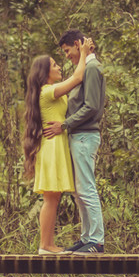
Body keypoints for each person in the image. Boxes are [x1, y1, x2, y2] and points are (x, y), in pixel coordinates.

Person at [23, 37, 94, 254]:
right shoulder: (47, 91)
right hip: (52, 147)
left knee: (53, 198)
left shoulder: (51, 90)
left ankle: (48, 244)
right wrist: (83, 53)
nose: (59, 67)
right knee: (51, 198)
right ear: (44, 72)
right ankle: (45, 245)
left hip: (56, 145)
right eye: (54, 65)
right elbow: (78, 77)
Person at [44, 29, 106, 254]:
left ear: (78, 44)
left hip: (84, 135)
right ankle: (87, 237)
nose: (67, 56)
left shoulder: (91, 67)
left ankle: (97, 241)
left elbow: (91, 106)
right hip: (79, 136)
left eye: (68, 50)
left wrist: (65, 124)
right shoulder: (87, 67)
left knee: (86, 188)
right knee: (79, 191)